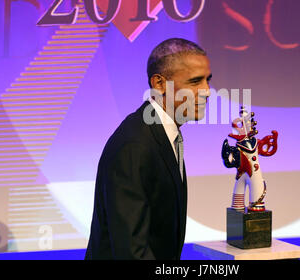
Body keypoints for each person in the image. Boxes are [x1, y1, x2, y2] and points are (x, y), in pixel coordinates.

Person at [85, 38, 212, 259]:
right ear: (159, 84)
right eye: (195, 81)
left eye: (207, 80)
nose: (207, 91)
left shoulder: (161, 134)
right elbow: (132, 251)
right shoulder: (135, 145)